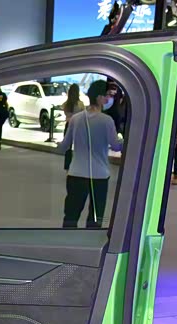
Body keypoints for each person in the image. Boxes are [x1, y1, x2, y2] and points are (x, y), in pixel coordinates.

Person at [57, 79, 122, 228]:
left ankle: (67, 240)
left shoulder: (75, 119)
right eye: (107, 95)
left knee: (71, 215)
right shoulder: (107, 121)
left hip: (76, 173)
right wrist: (124, 142)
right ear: (99, 97)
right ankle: (90, 240)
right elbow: (116, 146)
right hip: (99, 175)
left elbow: (64, 146)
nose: (109, 99)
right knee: (95, 217)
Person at [61, 83, 85, 171]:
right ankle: (78, 166)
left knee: (68, 148)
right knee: (79, 147)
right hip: (78, 127)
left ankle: (68, 167)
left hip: (68, 126)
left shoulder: (66, 104)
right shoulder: (80, 104)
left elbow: (66, 114)